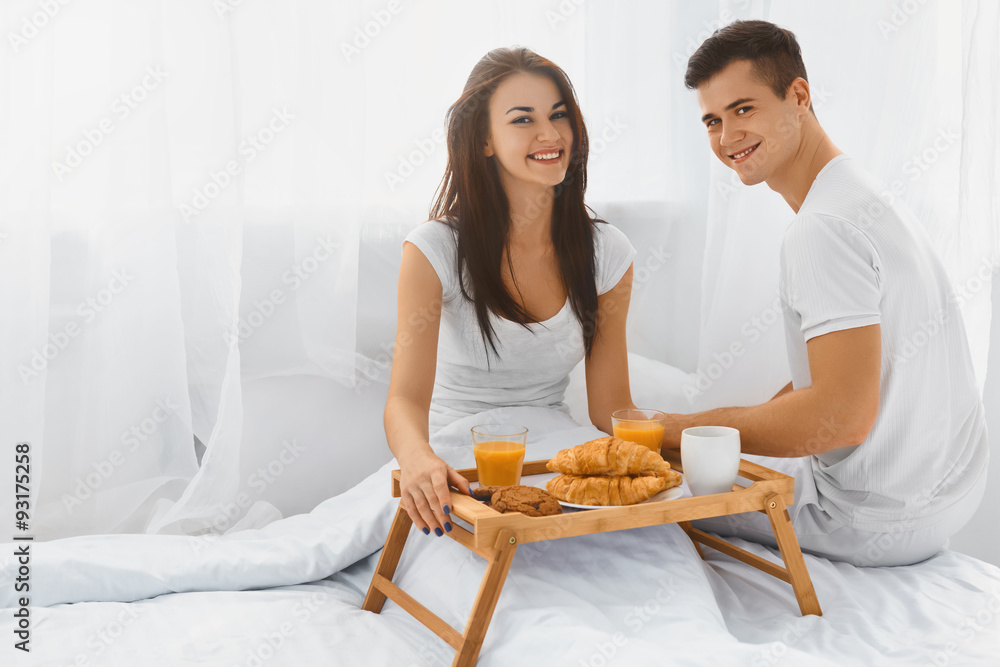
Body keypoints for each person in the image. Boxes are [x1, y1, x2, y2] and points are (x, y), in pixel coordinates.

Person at [670, 20, 988, 566]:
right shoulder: (860, 193)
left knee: (661, 498)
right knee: (699, 458)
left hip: (875, 519)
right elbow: (850, 367)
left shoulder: (822, 229)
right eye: (712, 120)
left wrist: (678, 430)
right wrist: (717, 435)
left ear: (799, 96)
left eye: (744, 109)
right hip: (952, 496)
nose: (726, 139)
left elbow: (842, 417)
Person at [384, 47, 637, 538]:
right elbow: (404, 401)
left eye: (559, 115)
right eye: (524, 119)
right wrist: (419, 462)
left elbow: (610, 410)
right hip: (457, 458)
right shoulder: (434, 248)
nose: (550, 134)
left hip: (555, 452)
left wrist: (702, 438)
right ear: (483, 140)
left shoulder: (609, 251)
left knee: (637, 559)